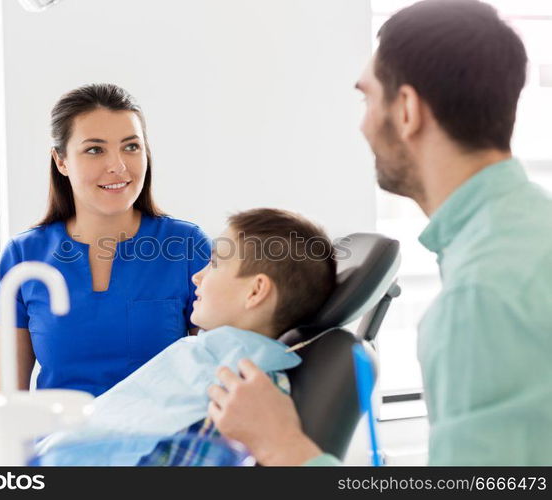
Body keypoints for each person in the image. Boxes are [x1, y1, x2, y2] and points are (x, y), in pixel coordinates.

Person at [207, 0, 552, 466]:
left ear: (406, 109)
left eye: (367, 98)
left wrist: (281, 443)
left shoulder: (480, 300)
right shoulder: (528, 233)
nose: (362, 123)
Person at [0, 83, 211, 465]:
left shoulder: (186, 246)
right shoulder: (24, 257)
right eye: (95, 149)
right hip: (59, 460)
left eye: (131, 146)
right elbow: (2, 403)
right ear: (61, 161)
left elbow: (213, 380)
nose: (118, 165)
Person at [32, 208, 336, 465]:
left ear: (255, 291)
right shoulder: (210, 356)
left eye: (215, 263)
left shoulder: (242, 390)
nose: (197, 275)